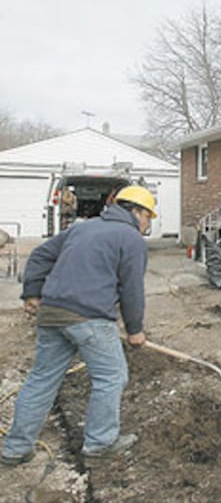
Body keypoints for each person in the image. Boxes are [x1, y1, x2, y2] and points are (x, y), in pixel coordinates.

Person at [0, 185, 157, 466]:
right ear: (138, 212)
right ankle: (100, 443)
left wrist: (32, 292)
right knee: (111, 376)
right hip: (89, 316)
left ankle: (16, 449)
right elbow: (132, 289)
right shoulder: (131, 239)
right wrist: (135, 330)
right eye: (149, 218)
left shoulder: (83, 228)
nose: (148, 225)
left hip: (51, 313)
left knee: (42, 378)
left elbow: (38, 256)